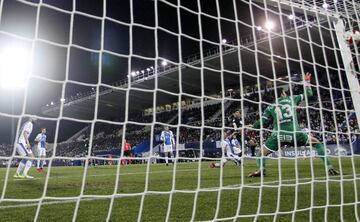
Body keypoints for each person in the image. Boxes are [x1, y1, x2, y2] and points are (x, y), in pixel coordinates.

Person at [248, 73, 339, 177]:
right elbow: (309, 94)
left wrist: (253, 126)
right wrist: (307, 82)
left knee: (260, 154)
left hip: (279, 136)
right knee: (317, 143)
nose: (285, 93)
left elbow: (261, 123)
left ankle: (261, 170)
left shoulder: (270, 107)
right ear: (282, 94)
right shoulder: (292, 98)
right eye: (284, 92)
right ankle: (329, 167)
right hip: (295, 134)